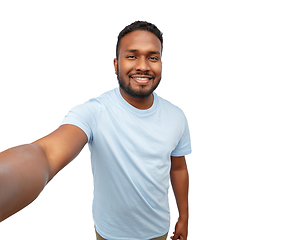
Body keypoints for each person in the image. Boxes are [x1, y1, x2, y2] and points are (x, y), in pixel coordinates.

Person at [0, 21, 191, 240]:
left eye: (153, 57)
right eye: (132, 56)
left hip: (158, 231)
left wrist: (184, 217)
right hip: (110, 234)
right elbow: (45, 154)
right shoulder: (94, 112)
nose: (143, 66)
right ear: (116, 64)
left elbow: (178, 168)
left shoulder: (176, 116)